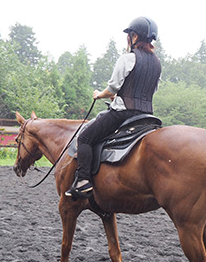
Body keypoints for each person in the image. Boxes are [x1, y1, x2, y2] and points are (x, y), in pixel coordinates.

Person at [67, 16, 162, 199]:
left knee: (85, 138)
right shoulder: (157, 64)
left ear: (134, 36)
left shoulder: (127, 59)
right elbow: (152, 89)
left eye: (130, 35)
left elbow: (112, 88)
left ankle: (83, 181)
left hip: (123, 113)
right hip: (147, 117)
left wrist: (99, 95)